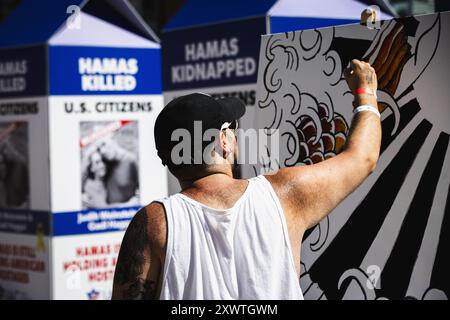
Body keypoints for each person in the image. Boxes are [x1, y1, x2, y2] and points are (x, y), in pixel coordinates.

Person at [112, 59, 381, 300]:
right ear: (223, 142)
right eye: (232, 129)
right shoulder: (283, 196)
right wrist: (365, 92)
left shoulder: (152, 224)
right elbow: (363, 157)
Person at [97, 137, 139, 206]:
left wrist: (135, 200)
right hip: (107, 213)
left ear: (114, 141)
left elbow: (143, 188)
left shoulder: (131, 160)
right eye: (99, 148)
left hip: (127, 212)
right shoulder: (103, 162)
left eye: (104, 144)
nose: (103, 150)